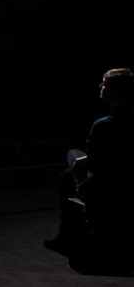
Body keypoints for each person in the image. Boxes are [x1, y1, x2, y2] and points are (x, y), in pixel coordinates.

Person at [48, 67, 134, 272]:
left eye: (105, 83)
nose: (101, 86)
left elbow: (97, 166)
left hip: (105, 189)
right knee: (73, 165)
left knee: (72, 162)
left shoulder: (102, 126)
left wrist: (84, 185)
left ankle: (67, 237)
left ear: (115, 91)